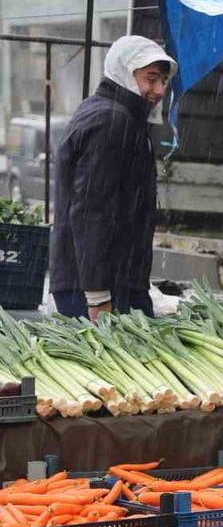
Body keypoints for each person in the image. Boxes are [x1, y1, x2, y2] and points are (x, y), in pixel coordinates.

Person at [50, 36, 175, 320]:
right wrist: (97, 296)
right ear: (124, 73)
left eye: (163, 81)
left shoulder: (118, 116)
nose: (158, 90)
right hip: (98, 287)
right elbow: (91, 211)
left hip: (109, 280)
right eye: (151, 79)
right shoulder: (111, 121)